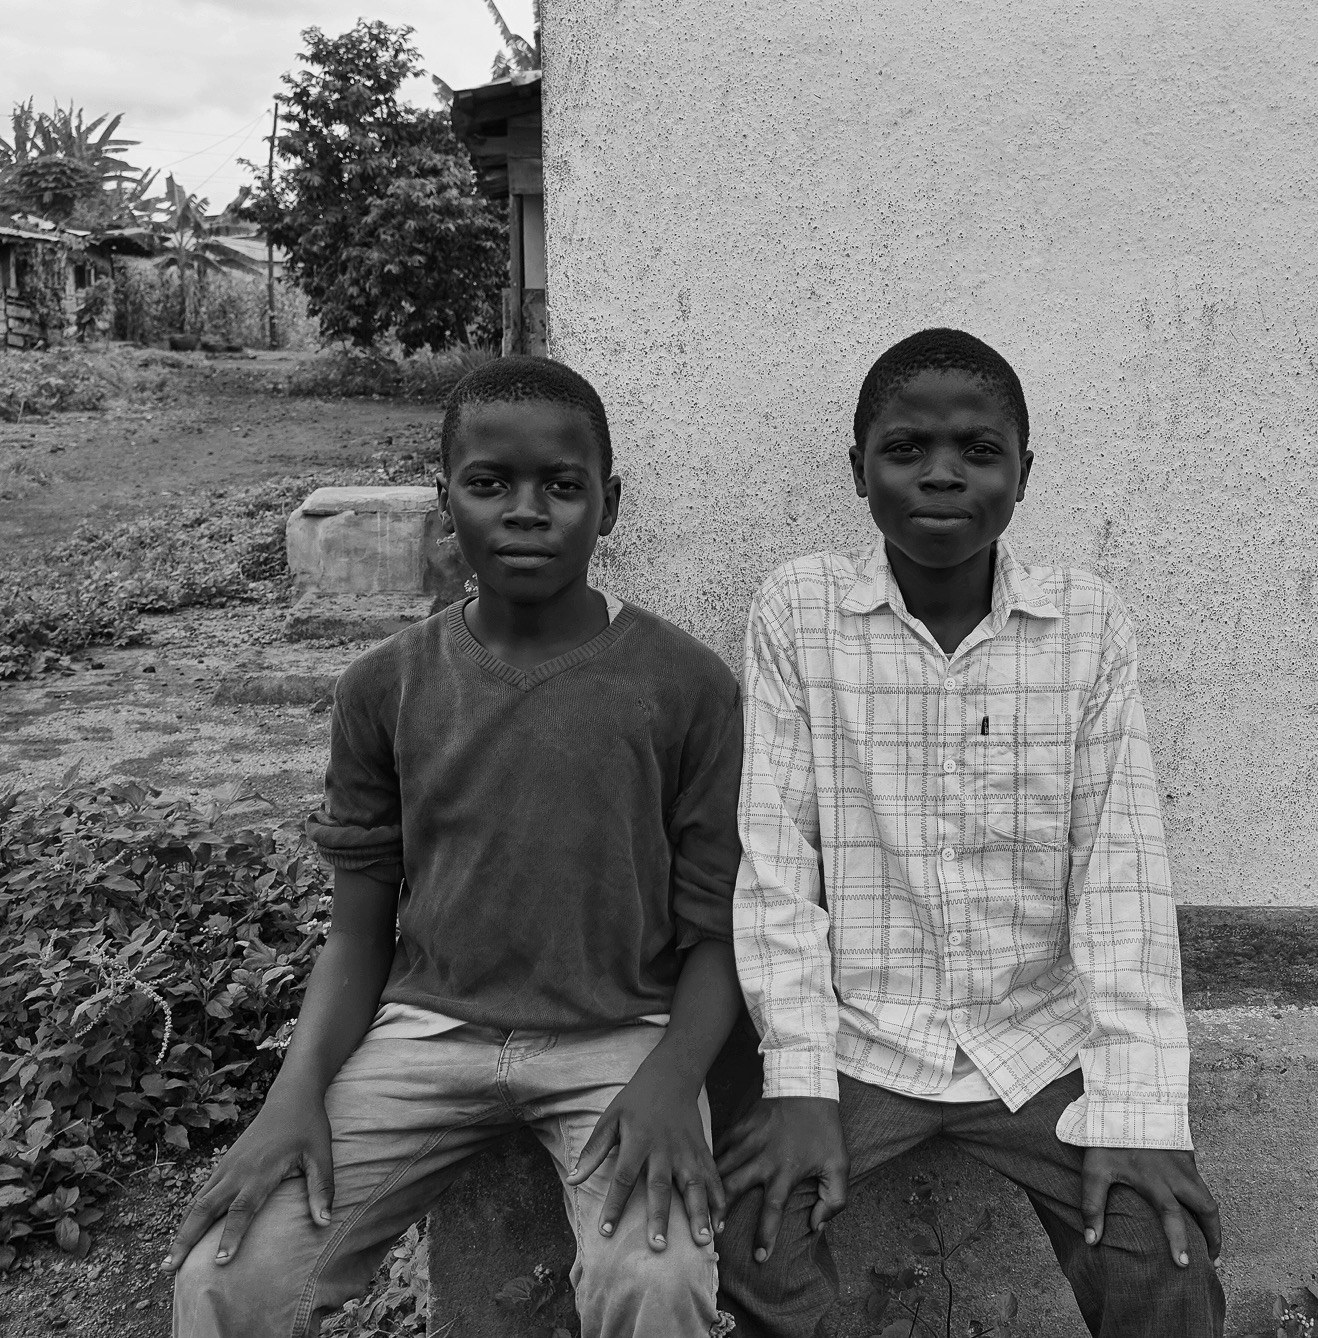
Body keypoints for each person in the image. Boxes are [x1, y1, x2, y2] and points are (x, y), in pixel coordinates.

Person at [167, 356, 744, 1338]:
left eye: (561, 488)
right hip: (427, 1034)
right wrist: (290, 1096)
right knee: (227, 1273)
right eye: (489, 484)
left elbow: (719, 933)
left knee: (656, 1280)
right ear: (446, 503)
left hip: (619, 1037)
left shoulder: (686, 687)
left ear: (607, 504)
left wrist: (670, 1080)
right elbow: (355, 937)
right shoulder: (381, 688)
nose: (526, 512)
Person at [717, 329, 1225, 1335]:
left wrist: (1139, 1111)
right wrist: (799, 1081)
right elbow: (775, 865)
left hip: (1034, 1041)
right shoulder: (798, 610)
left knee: (1162, 1252)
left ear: (1022, 473)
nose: (941, 475)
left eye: (977, 451)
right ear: (857, 470)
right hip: (865, 1037)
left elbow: (1119, 872)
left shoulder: (1083, 622)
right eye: (905, 450)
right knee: (749, 1231)